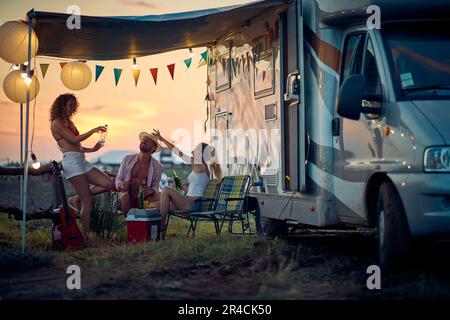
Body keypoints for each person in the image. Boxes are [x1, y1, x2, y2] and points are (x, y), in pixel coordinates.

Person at [50, 93, 114, 243]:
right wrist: (93, 130)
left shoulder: (68, 122)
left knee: (108, 184)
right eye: (70, 105)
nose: (73, 108)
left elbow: (76, 145)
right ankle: (85, 236)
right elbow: (73, 140)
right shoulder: (56, 123)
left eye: (74, 106)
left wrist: (93, 149)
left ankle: (75, 199)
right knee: (87, 201)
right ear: (62, 106)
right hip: (71, 162)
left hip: (81, 160)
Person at [152, 129, 222, 233]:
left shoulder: (198, 164)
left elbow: (178, 152)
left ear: (200, 153)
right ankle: (149, 230)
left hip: (192, 205)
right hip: (189, 202)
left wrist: (162, 139)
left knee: (166, 190)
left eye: (195, 149)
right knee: (156, 205)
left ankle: (161, 226)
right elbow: (192, 190)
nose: (192, 151)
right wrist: (180, 184)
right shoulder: (204, 169)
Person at [115, 132, 164, 215]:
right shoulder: (127, 159)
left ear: (153, 148)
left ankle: (156, 223)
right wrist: (121, 185)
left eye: (148, 141)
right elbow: (118, 178)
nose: (143, 141)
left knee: (162, 196)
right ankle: (130, 222)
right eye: (143, 139)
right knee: (125, 197)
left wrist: (150, 191)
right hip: (127, 196)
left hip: (145, 199)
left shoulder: (158, 166)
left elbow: (155, 187)